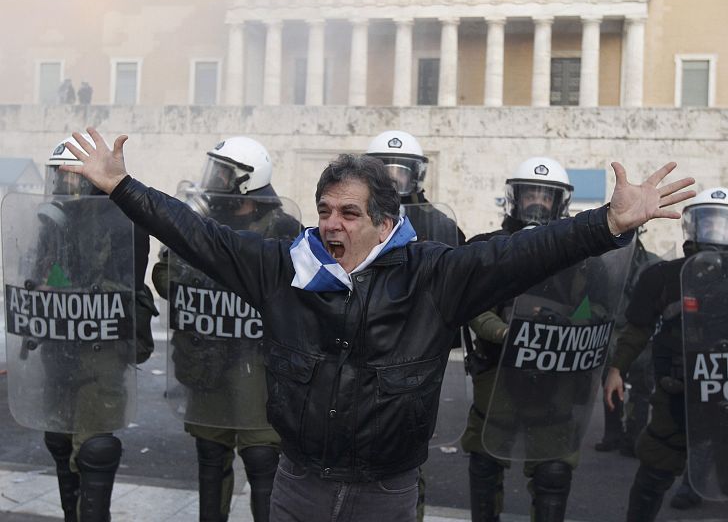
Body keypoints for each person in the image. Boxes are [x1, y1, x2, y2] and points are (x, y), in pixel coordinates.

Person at [63, 126, 693, 522]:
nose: (332, 225)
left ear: (387, 223)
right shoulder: (281, 267)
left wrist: (610, 223)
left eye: (350, 213)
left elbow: (526, 252)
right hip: (298, 485)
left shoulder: (436, 275)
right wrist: (121, 186)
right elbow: (197, 235)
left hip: (386, 493)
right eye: (324, 211)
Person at [460, 157, 631, 522]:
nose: (537, 201)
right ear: (514, 197)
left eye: (545, 195)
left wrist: (564, 325)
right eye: (530, 193)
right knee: (485, 465)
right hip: (498, 373)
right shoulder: (490, 247)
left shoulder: (584, 259)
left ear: (560, 202)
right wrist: (508, 333)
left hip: (556, 376)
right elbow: (473, 307)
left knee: (554, 472)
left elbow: (600, 311)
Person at [604, 187, 728, 522]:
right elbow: (636, 329)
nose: (715, 232)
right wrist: (617, 369)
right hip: (678, 395)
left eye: (723, 224)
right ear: (691, 226)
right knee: (653, 472)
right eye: (707, 222)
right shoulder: (664, 277)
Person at [151, 137, 301, 522]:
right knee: (210, 453)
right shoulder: (200, 223)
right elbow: (166, 277)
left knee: (262, 456)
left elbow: (297, 296)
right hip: (207, 360)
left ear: (246, 182)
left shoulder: (283, 228)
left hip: (259, 364)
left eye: (222, 173)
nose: (213, 180)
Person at [36, 134, 157, 522]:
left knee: (94, 448)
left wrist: (69, 288)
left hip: (102, 347)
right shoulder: (54, 221)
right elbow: (41, 271)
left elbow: (125, 282)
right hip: (59, 344)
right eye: (58, 177)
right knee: (58, 439)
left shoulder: (121, 219)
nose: (60, 186)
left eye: (69, 177)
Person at [366, 129, 466, 521]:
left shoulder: (440, 225)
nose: (392, 181)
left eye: (400, 172)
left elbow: (463, 283)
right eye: (382, 171)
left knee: (406, 457)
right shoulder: (350, 217)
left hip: (415, 354)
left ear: (417, 175)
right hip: (362, 347)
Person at [595, 232, 659, 457]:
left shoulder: (651, 263)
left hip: (640, 332)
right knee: (610, 383)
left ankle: (634, 436)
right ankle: (613, 434)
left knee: (641, 386)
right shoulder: (604, 262)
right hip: (612, 330)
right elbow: (595, 297)